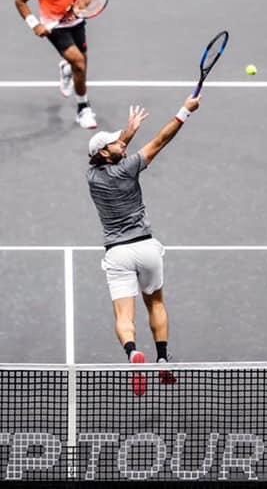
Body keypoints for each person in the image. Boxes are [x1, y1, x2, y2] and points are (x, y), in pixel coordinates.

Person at [85, 96, 200, 390]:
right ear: (106, 152)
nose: (120, 143)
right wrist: (185, 110)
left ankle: (133, 352)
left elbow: (112, 151)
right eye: (116, 142)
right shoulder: (130, 167)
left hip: (118, 254)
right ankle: (162, 359)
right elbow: (161, 140)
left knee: (125, 316)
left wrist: (128, 132)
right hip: (147, 249)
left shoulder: (92, 176)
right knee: (156, 303)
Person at [15, 0, 98, 129]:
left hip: (77, 22)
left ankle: (66, 68)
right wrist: (34, 24)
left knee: (80, 64)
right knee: (80, 63)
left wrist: (81, 5)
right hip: (55, 27)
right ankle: (83, 108)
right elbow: (20, 1)